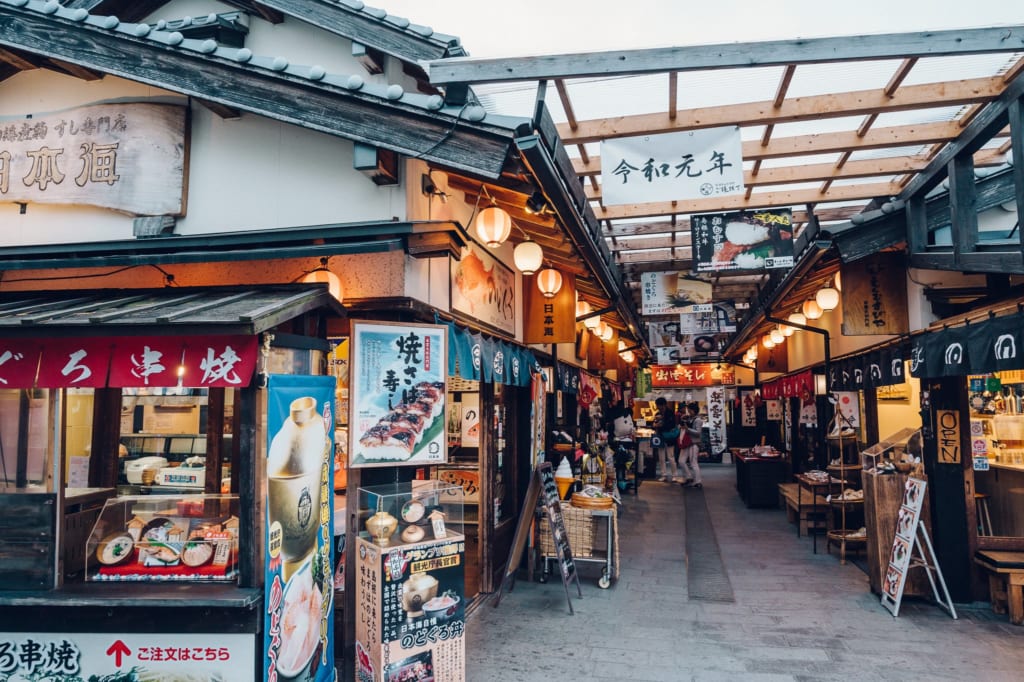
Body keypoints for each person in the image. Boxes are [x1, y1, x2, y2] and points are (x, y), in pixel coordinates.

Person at [654, 397, 681, 482]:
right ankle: (663, 474)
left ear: (664, 405)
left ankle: (675, 475)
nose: (658, 407)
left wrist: (661, 424)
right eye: (657, 406)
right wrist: (655, 423)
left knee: (671, 457)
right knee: (661, 457)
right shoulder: (657, 414)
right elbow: (654, 424)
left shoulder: (670, 413)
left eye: (659, 405)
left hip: (669, 438)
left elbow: (671, 425)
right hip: (660, 437)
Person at [679, 402, 703, 488]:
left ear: (693, 410)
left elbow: (698, 433)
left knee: (693, 462)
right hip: (687, 442)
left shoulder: (698, 420)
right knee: (681, 461)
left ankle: (698, 481)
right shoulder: (690, 418)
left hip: (693, 443)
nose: (688, 412)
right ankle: (688, 477)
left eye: (690, 410)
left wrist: (687, 429)